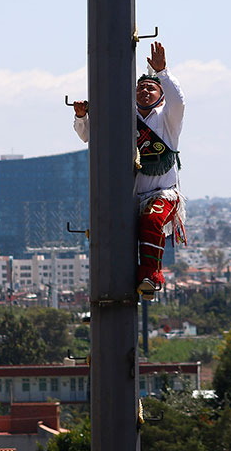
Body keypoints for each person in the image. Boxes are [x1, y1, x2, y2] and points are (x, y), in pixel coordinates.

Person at [72, 41, 186, 301]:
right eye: (141, 87)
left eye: (151, 88)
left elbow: (179, 102)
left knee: (152, 220)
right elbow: (88, 135)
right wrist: (81, 117)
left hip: (162, 193)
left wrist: (163, 73)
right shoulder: (123, 116)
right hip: (131, 198)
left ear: (161, 95)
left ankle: (151, 278)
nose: (145, 91)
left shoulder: (167, 118)